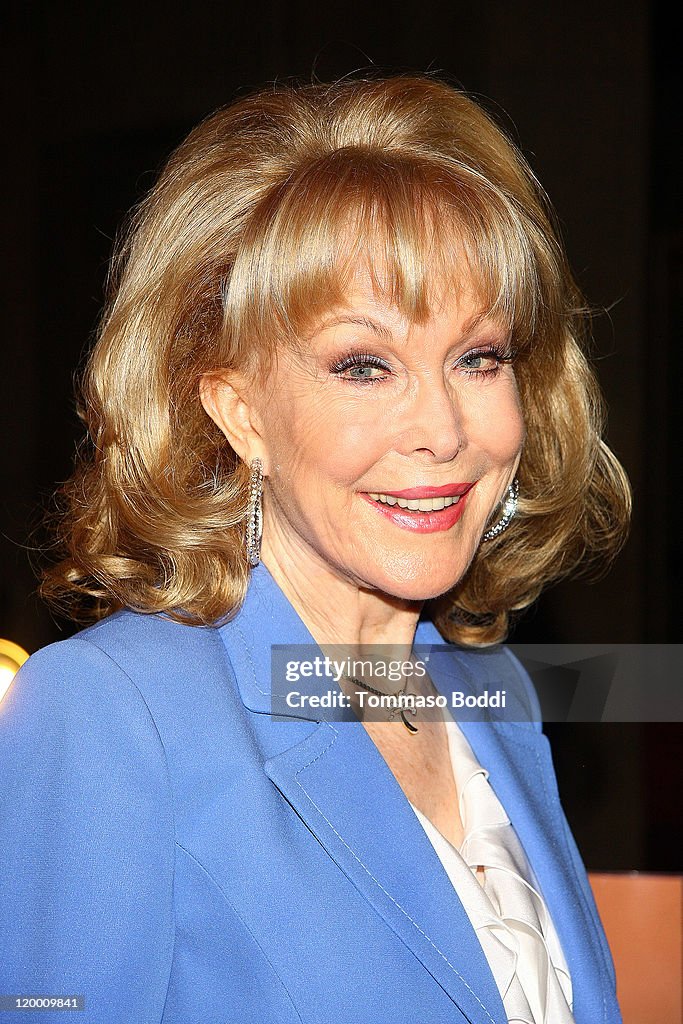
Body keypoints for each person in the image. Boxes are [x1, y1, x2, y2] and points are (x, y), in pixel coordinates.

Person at [0, 75, 631, 1024]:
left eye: (478, 356)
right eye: (362, 365)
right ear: (239, 411)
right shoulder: (112, 715)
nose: (443, 429)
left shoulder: (491, 694)